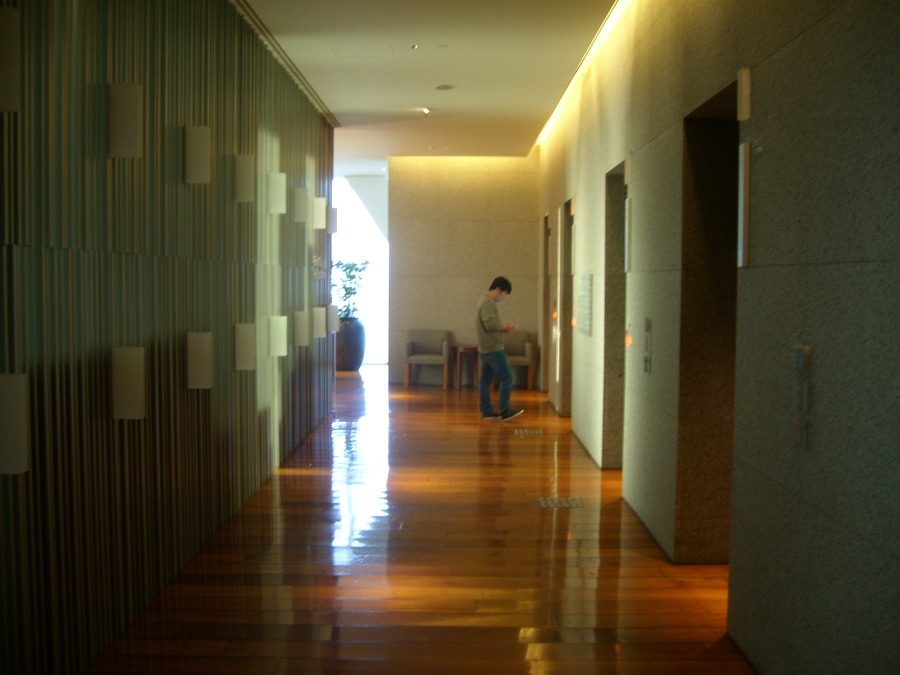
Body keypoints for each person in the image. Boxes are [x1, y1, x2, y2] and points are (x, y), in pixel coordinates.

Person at [475, 276, 524, 421]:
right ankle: (505, 411)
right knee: (507, 377)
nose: (504, 298)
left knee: (485, 381)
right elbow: (489, 324)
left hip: (486, 347)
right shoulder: (488, 302)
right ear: (497, 289)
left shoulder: (484, 301)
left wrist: (503, 328)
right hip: (493, 348)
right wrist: (504, 327)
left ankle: (488, 412)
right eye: (504, 294)